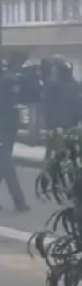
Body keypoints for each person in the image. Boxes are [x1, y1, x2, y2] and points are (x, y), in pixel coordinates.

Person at [0, 62, 29, 212]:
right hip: (4, 131)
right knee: (7, 167)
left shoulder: (7, 81)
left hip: (6, 130)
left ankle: (19, 201)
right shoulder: (7, 82)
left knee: (3, 166)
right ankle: (19, 201)